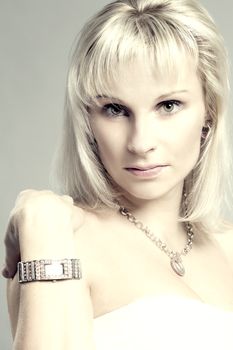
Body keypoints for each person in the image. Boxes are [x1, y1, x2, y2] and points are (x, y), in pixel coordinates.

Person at [2, 0, 233, 349]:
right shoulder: (60, 242)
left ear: (209, 113)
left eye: (168, 105)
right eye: (115, 109)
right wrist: (41, 222)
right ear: (88, 122)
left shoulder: (229, 245)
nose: (140, 143)